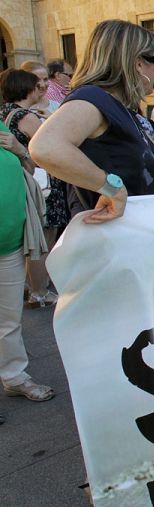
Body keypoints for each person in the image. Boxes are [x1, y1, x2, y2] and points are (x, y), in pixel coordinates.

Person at [29, 19, 154, 226]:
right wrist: (110, 186)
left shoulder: (118, 107)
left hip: (133, 234)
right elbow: (45, 147)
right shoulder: (94, 98)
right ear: (138, 63)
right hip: (114, 239)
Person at [0, 69, 65, 308]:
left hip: (27, 183)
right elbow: (49, 147)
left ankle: (33, 289)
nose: (42, 89)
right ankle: (39, 291)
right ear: (26, 89)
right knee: (41, 241)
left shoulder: (6, 112)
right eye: (37, 86)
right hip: (43, 185)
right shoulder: (27, 117)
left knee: (34, 241)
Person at [1, 120, 54, 403]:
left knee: (9, 319)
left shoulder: (1, 126)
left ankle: (14, 376)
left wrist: (20, 150)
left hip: (9, 242)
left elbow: (32, 170)